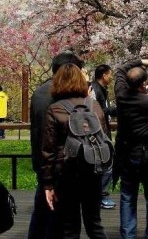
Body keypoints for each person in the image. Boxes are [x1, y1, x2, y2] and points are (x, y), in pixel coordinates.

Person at [41, 63, 109, 239]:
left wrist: (48, 183)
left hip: (66, 174)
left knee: (70, 228)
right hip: (93, 170)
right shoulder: (94, 106)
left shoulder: (55, 109)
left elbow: (48, 150)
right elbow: (105, 137)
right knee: (94, 224)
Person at [29, 51, 84, 239]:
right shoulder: (62, 95)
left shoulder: (39, 92)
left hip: (42, 160)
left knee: (42, 212)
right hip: (61, 163)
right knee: (61, 217)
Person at [114, 58, 148, 239]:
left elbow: (121, 70)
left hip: (126, 153)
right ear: (143, 83)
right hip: (146, 154)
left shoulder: (121, 97)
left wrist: (141, 61)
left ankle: (128, 235)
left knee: (128, 195)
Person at [90, 64, 116, 210]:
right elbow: (97, 111)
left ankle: (99, 195)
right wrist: (115, 109)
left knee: (106, 164)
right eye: (110, 74)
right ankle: (101, 196)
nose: (111, 77)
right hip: (99, 134)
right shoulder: (95, 90)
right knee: (106, 165)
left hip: (103, 132)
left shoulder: (102, 90)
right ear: (104, 75)